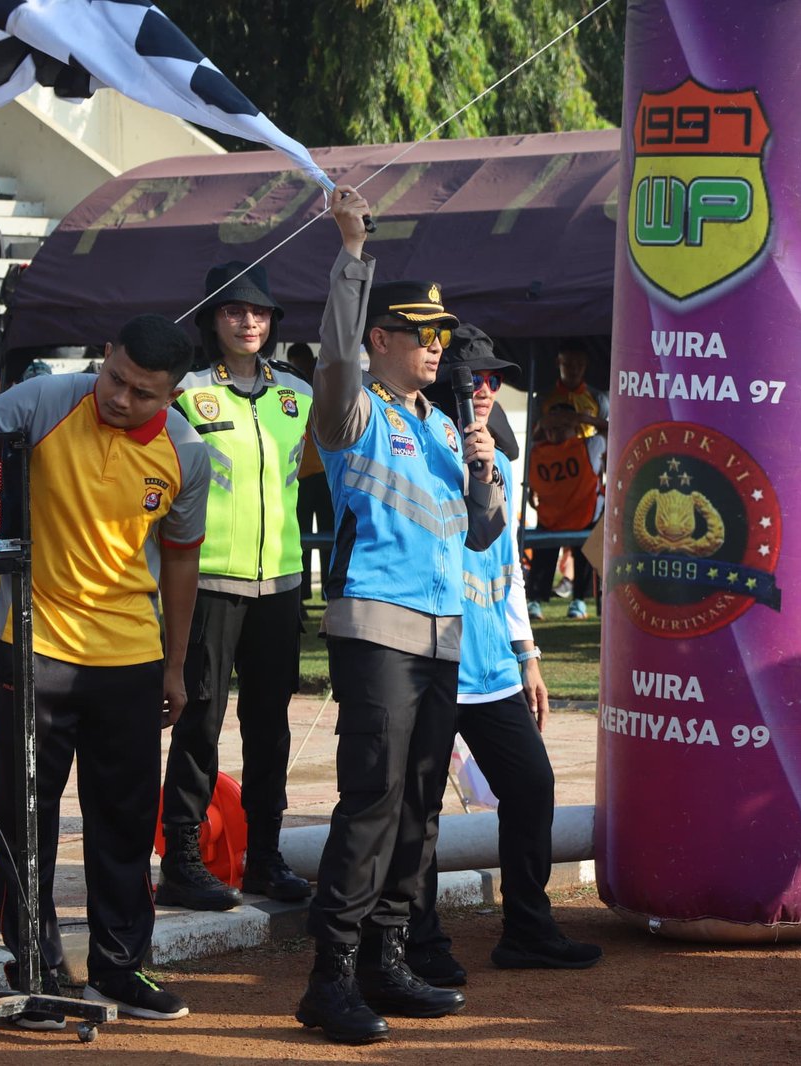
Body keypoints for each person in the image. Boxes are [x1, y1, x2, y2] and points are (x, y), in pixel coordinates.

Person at [0, 314, 210, 1024]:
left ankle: (120, 969)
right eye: (115, 378)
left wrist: (175, 666)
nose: (121, 398)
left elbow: (182, 561)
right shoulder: (43, 401)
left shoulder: (187, 452)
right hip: (33, 644)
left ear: (172, 394)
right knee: (26, 817)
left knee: (126, 823)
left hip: (131, 656)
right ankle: (36, 970)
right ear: (105, 355)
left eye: (143, 393)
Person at [296, 185, 505, 1045]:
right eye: (420, 334)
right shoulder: (354, 412)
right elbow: (333, 358)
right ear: (380, 340)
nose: (435, 346)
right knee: (372, 800)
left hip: (443, 633)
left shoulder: (447, 430)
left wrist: (484, 470)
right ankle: (330, 978)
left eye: (441, 335)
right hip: (378, 626)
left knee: (421, 803)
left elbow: (482, 533)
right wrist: (351, 255)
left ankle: (388, 957)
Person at [405, 325, 602, 986]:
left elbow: (508, 564)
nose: (485, 389)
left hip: (491, 665)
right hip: (430, 660)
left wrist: (528, 652)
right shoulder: (421, 448)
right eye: (472, 379)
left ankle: (527, 928)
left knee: (531, 786)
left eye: (491, 378)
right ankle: (418, 939)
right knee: (420, 809)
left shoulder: (504, 459)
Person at [159, 261, 312, 911]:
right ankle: (183, 859)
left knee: (269, 728)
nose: (248, 321)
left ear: (273, 320)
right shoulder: (185, 391)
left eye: (259, 311)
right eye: (234, 310)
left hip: (280, 584)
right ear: (211, 320)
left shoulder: (297, 394)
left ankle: (265, 856)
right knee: (199, 721)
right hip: (207, 583)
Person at [526, 342, 609, 620]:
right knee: (545, 548)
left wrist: (578, 419)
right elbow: (532, 441)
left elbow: (607, 432)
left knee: (586, 546)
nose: (573, 370)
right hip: (553, 499)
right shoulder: (543, 399)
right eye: (567, 364)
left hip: (584, 486)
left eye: (578, 365)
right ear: (558, 364)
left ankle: (580, 599)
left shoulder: (597, 400)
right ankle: (536, 598)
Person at [288, 343, 335, 605]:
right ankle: (301, 595)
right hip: (301, 475)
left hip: (324, 474)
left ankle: (329, 591)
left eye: (302, 363)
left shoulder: (323, 386)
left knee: (330, 535)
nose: (301, 368)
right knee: (299, 538)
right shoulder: (292, 391)